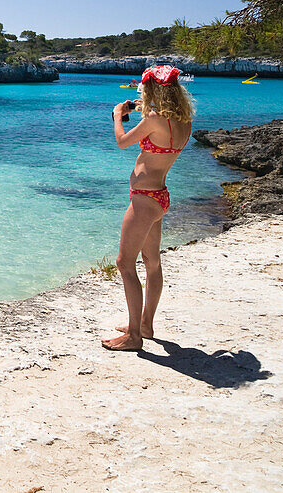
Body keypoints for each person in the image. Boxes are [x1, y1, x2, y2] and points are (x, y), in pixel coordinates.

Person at [103, 65, 194, 352]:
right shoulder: (183, 120)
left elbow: (121, 142)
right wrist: (142, 106)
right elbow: (157, 126)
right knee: (152, 263)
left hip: (143, 199)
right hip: (160, 196)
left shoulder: (154, 119)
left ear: (154, 90)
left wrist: (119, 116)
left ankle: (134, 337)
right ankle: (145, 324)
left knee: (124, 263)